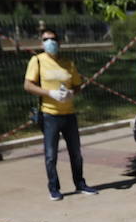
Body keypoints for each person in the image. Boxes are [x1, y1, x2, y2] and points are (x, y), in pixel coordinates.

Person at [24, 27, 95, 200]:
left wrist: (71, 93)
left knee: (76, 153)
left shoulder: (68, 63)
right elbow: (28, 85)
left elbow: (77, 85)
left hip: (69, 113)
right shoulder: (37, 61)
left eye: (53, 39)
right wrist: (50, 93)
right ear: (42, 43)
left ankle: (80, 183)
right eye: (45, 39)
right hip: (50, 114)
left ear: (59, 41)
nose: (49, 42)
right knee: (51, 154)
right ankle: (54, 188)